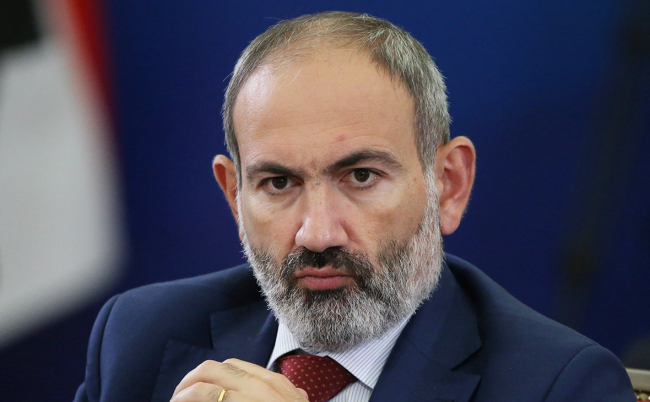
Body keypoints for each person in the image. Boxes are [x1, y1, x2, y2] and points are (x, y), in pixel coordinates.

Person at [74, 11, 635, 402]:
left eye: (361, 177)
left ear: (448, 184)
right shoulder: (139, 335)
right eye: (278, 183)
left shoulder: (559, 385)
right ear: (233, 196)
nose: (317, 235)